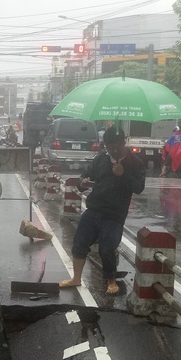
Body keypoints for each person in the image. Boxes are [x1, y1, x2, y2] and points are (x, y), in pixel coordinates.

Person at [59, 126, 146, 295]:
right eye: (109, 147)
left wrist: (123, 174)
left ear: (124, 143)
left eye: (116, 146)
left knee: (107, 249)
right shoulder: (101, 160)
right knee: (79, 244)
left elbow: (138, 187)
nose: (112, 150)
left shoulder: (135, 163)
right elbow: (86, 176)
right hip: (94, 210)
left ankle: (111, 281)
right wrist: (82, 182)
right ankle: (76, 278)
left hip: (115, 214)